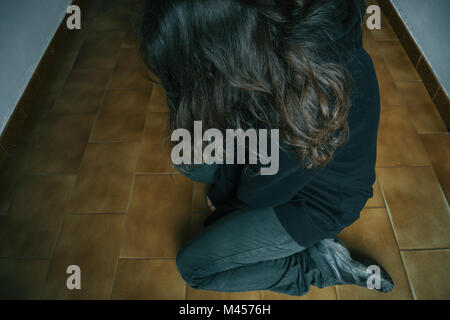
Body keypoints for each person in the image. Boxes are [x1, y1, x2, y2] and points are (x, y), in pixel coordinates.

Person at [140, 0, 394, 296]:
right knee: (195, 166)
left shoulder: (306, 95)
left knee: (194, 268)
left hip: (314, 202)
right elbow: (254, 138)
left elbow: (263, 188)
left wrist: (226, 206)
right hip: (279, 157)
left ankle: (317, 265)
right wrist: (223, 184)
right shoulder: (263, 32)